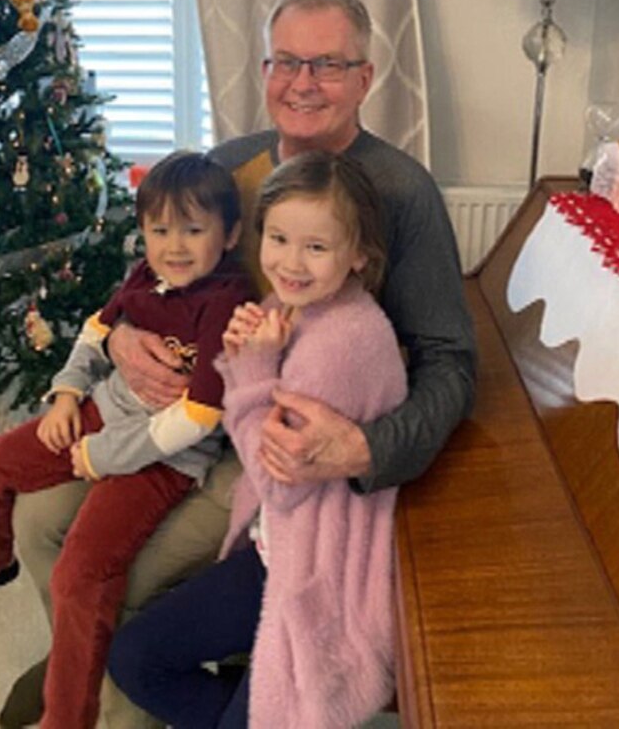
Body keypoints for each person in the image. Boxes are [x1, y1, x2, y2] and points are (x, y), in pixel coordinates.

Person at [1, 0, 476, 728]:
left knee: (131, 574)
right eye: (286, 61)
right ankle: (77, 664)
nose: (302, 82)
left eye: (326, 64)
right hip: (168, 405)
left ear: (364, 78)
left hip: (261, 445)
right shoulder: (228, 164)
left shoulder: (399, 192)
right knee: (35, 518)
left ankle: (110, 707)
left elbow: (450, 360)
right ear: (263, 70)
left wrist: (366, 446)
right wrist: (123, 338)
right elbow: (153, 269)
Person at [0, 150, 252, 729]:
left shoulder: (226, 301)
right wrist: (65, 394)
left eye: (193, 230)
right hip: (99, 415)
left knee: (82, 572)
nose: (175, 246)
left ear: (230, 234)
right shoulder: (146, 276)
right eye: (159, 230)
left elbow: (200, 417)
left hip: (166, 459)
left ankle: (68, 715)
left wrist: (103, 455)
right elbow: (97, 328)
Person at [109, 151, 408, 727]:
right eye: (278, 239)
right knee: (135, 657)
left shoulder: (342, 345)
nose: (291, 263)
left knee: (159, 666)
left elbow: (279, 480)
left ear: (358, 255)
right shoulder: (295, 304)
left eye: (316, 247)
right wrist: (246, 353)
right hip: (278, 546)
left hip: (316, 569)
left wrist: (251, 369)